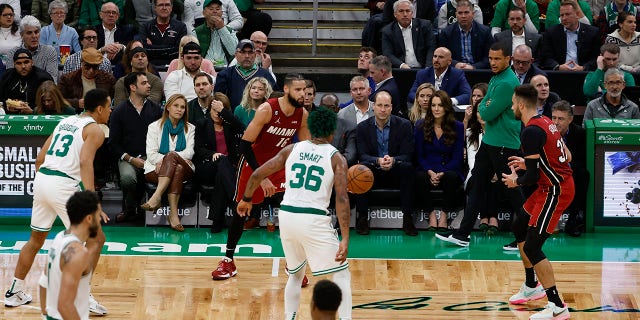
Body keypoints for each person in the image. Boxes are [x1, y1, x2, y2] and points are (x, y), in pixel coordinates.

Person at [237, 106, 352, 320]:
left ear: (310, 128)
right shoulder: (337, 158)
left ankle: (289, 317)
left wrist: (246, 198)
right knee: (341, 272)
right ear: (332, 132)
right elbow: (342, 199)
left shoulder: (292, 149)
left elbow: (259, 172)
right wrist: (345, 237)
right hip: (313, 217)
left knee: (296, 274)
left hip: (287, 215)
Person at [4, 88, 111, 315]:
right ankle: (83, 295)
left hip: (43, 179)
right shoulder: (95, 130)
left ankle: (15, 290)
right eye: (109, 107)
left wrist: (46, 183)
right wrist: (92, 201)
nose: (110, 111)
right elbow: (85, 162)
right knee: (95, 238)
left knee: (35, 239)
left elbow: (40, 158)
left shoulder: (66, 121)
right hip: (63, 184)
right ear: (100, 109)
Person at [211, 73, 310, 280]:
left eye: (305, 90)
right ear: (286, 89)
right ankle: (228, 261)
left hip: (278, 167)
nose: (303, 94)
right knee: (242, 210)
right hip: (252, 165)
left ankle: (293, 263)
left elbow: (306, 148)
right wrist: (262, 176)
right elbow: (245, 145)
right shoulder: (267, 109)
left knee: (292, 212)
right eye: (298, 90)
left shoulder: (302, 115)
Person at [436, 41, 523, 247]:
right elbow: (482, 105)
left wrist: (484, 105)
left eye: (497, 59)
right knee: (476, 185)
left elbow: (485, 112)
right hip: (491, 140)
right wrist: (485, 104)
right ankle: (463, 233)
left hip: (504, 143)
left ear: (508, 59)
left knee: (513, 191)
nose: (492, 62)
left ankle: (527, 235)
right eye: (490, 58)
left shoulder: (506, 82)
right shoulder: (496, 77)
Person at [501, 84, 574, 320]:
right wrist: (529, 163)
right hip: (550, 185)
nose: (512, 107)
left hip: (556, 189)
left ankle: (557, 306)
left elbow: (531, 177)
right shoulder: (545, 121)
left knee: (533, 246)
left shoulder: (530, 131)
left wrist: (516, 181)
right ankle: (531, 286)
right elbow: (566, 156)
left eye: (513, 103)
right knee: (519, 226)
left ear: (521, 105)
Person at [355, 91, 416, 236]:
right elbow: (362, 155)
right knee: (360, 170)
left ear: (391, 107)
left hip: (396, 170)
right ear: (373, 107)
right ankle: (362, 218)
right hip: (373, 171)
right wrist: (377, 160)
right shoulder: (362, 127)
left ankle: (407, 218)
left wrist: (393, 160)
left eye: (386, 106)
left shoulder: (405, 125)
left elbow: (408, 155)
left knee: (408, 167)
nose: (383, 109)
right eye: (380, 105)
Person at [109, 72, 163, 223]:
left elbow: (162, 137)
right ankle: (130, 208)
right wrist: (131, 159)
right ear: (133, 87)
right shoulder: (119, 111)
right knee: (127, 178)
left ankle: (148, 210)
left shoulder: (156, 109)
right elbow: (113, 143)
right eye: (144, 83)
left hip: (151, 156)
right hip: (128, 157)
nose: (149, 85)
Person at [39, 191, 102, 320]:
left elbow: (44, 282)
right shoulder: (79, 253)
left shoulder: (59, 237)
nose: (100, 219)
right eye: (98, 215)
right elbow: (65, 305)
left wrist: (45, 315)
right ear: (89, 219)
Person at [141, 94, 196, 232]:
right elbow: (151, 154)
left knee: (173, 157)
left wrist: (167, 159)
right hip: (154, 169)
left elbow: (190, 153)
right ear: (168, 108)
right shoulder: (154, 127)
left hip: (186, 169)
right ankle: (173, 214)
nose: (179, 109)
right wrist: (170, 160)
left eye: (182, 107)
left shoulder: (190, 128)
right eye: (176, 106)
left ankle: (156, 196)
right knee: (176, 168)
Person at [194, 92, 245, 233]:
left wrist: (225, 113)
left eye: (219, 110)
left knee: (221, 178)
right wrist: (212, 154)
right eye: (214, 110)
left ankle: (217, 221)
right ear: (209, 109)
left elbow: (243, 128)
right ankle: (236, 201)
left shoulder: (229, 125)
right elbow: (198, 149)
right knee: (222, 161)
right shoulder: (202, 124)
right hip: (207, 166)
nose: (216, 113)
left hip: (226, 170)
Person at [414, 90, 464, 231]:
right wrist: (430, 172)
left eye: (440, 105)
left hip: (449, 168)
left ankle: (443, 215)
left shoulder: (458, 127)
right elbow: (419, 155)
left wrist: (441, 172)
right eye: (433, 105)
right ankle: (431, 215)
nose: (436, 109)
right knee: (419, 176)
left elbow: (457, 157)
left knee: (451, 176)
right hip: (427, 168)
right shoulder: (420, 126)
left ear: (446, 107)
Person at [464, 83, 500, 233]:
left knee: (496, 181)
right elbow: (473, 162)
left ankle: (491, 218)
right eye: (479, 111)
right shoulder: (471, 133)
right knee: (481, 179)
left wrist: (496, 172)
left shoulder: (499, 133)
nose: (482, 114)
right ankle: (487, 218)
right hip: (475, 173)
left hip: (498, 174)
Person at [551, 100, 588, 237]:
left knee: (583, 174)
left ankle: (573, 220)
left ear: (570, 119)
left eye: (561, 119)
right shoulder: (545, 132)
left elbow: (581, 159)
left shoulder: (579, 133)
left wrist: (565, 167)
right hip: (547, 170)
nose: (556, 122)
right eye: (554, 118)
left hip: (569, 170)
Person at [214, 39, 277, 108]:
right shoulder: (225, 75)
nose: (247, 56)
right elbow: (219, 100)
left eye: (250, 52)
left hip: (259, 116)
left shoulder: (265, 74)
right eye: (243, 52)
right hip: (231, 117)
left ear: (255, 55)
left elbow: (274, 98)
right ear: (236, 55)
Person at [540, 0, 600, 71]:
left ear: (577, 15)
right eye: (562, 15)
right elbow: (546, 58)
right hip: (559, 74)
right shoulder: (551, 33)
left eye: (568, 14)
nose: (564, 18)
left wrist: (583, 68)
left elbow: (595, 58)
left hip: (583, 74)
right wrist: (558, 67)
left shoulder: (592, 33)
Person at [438, 0, 494, 70]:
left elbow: (490, 57)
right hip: (455, 71)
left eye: (466, 12)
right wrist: (455, 64)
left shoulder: (485, 32)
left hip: (479, 71)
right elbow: (442, 56)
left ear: (473, 14)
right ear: (456, 15)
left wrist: (474, 67)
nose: (463, 16)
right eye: (460, 13)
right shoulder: (446, 33)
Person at [58, 48, 116, 113]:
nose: (91, 71)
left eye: (95, 67)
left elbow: (114, 101)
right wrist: (77, 103)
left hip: (100, 115)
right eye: (87, 67)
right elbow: (59, 100)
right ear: (81, 63)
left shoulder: (108, 79)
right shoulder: (68, 79)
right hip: (76, 115)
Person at [333, 76, 374, 166]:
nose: (358, 92)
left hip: (374, 160)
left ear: (369, 91)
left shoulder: (379, 110)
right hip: (350, 162)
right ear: (351, 93)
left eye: (362, 88)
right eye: (355, 89)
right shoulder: (341, 114)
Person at [381, 0, 435, 69]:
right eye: (401, 11)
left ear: (412, 13)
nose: (405, 14)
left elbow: (431, 48)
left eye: (407, 11)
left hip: (423, 68)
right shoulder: (388, 31)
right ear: (395, 14)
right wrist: (402, 65)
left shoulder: (425, 26)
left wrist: (428, 67)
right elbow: (388, 53)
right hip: (400, 70)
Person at [5, 15, 58, 81]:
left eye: (36, 32)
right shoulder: (12, 53)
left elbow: (52, 80)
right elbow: (10, 81)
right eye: (29, 33)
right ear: (21, 35)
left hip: (43, 90)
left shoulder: (49, 51)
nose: (34, 36)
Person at [0, 48, 54, 113]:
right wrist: (6, 107)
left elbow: (50, 105)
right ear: (14, 64)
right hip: (9, 115)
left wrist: (32, 111)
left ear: (32, 62)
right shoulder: (7, 77)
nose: (23, 66)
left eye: (26, 62)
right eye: (19, 63)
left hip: (37, 117)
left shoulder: (43, 78)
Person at [136, 0, 188, 66]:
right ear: (155, 8)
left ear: (171, 7)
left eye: (167, 5)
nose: (164, 8)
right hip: (151, 67)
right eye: (160, 5)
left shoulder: (181, 27)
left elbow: (178, 51)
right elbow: (145, 50)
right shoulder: (146, 27)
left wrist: (152, 47)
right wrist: (170, 47)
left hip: (174, 66)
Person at [195, 0, 239, 68]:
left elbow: (234, 52)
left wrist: (222, 28)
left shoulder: (230, 31)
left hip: (225, 70)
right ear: (204, 13)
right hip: (204, 70)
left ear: (221, 13)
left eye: (218, 9)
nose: (215, 11)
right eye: (211, 9)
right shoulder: (197, 32)